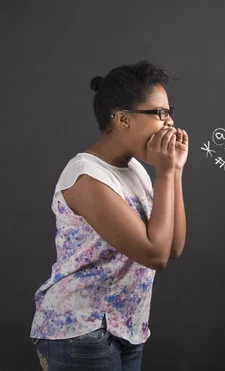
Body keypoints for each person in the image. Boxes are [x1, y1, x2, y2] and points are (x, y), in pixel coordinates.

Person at [29, 60, 189, 370]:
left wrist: (175, 171)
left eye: (169, 112)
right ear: (122, 119)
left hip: (126, 328)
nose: (169, 123)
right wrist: (165, 172)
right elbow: (155, 255)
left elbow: (173, 247)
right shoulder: (86, 177)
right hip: (79, 331)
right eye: (159, 113)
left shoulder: (135, 170)